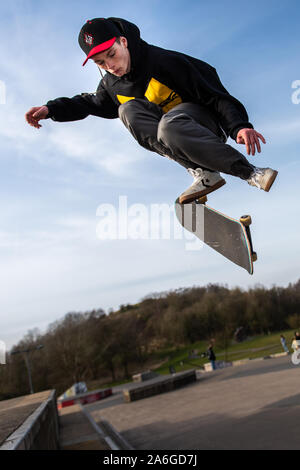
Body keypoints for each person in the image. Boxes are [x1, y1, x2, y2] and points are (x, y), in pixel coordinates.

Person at [25, 17, 278, 204]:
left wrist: (239, 126)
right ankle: (204, 173)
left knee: (170, 124)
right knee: (128, 111)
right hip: (176, 138)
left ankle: (251, 173)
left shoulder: (164, 61)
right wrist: (50, 109)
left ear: (123, 42)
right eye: (100, 63)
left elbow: (213, 93)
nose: (110, 65)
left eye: (112, 55)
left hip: (203, 126)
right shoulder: (111, 84)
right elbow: (89, 103)